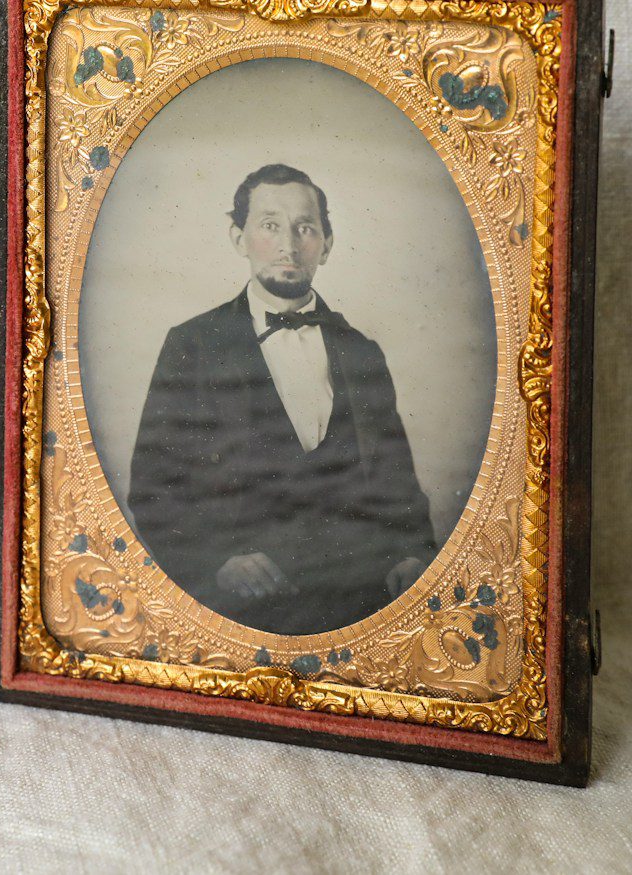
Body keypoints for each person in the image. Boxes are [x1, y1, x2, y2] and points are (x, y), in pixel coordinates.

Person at [127, 164, 435, 635]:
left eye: (305, 228)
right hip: (244, 604)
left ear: (326, 245)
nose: (290, 244)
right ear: (239, 238)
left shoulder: (361, 351)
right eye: (270, 225)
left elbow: (399, 481)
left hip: (359, 598)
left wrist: (413, 554)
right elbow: (153, 487)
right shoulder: (192, 344)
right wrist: (219, 561)